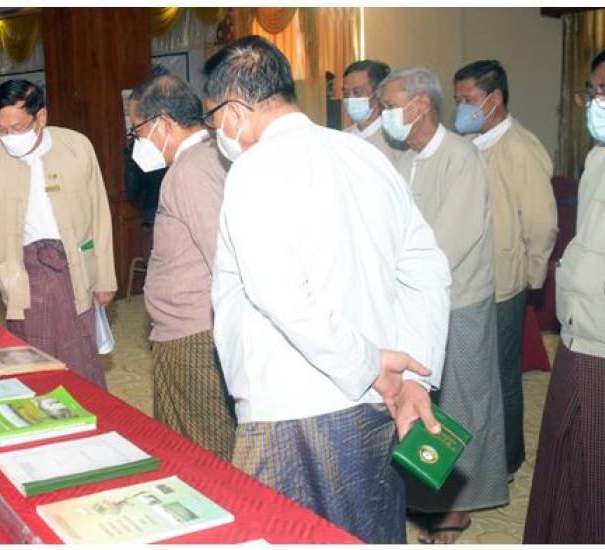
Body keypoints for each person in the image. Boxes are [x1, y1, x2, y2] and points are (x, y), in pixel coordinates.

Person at [205, 36, 452, 544]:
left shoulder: (254, 169)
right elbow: (427, 271)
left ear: (232, 112)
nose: (217, 137)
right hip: (376, 401)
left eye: (213, 124)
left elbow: (281, 295)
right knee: (369, 532)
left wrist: (368, 365)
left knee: (286, 535)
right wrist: (413, 378)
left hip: (292, 412)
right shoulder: (366, 156)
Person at [379, 67, 508, 543]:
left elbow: (451, 240)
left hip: (459, 301)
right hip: (413, 300)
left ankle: (457, 506)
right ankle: (426, 496)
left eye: (390, 106)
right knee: (421, 400)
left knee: (462, 402)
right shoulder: (403, 160)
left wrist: (403, 277)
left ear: (421, 105)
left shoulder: (461, 157)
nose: (384, 115)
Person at [0, 79, 117, 389]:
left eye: (17, 128)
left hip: (76, 266)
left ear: (41, 117)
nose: (9, 138)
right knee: (33, 359)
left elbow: (99, 213)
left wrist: (105, 278)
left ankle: (87, 405)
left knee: (80, 355)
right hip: (25, 273)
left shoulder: (77, 147)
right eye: (1, 131)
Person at [453, 60, 558, 478]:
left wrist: (530, 278)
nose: (461, 109)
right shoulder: (468, 144)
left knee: (502, 377)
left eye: (468, 100)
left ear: (494, 99)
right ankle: (476, 454)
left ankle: (508, 459)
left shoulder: (520, 148)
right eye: (457, 100)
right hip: (468, 281)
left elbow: (541, 223)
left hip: (502, 282)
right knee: (472, 376)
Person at [128, 73, 236, 461]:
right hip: (183, 329)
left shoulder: (192, 170)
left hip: (195, 335)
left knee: (206, 451)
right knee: (180, 444)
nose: (136, 141)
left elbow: (223, 257)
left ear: (162, 123)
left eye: (137, 130)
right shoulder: (205, 158)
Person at [523, 49, 605, 544]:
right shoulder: (597, 157)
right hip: (579, 327)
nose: (596, 104)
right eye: (593, 93)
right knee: (566, 452)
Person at [341, 60, 405, 163]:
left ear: (378, 93)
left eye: (357, 92)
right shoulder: (342, 138)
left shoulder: (395, 141)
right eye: (345, 93)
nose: (350, 99)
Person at [124, 144, 165, 260]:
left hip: (151, 215)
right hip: (180, 217)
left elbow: (132, 191)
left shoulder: (139, 151)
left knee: (154, 262)